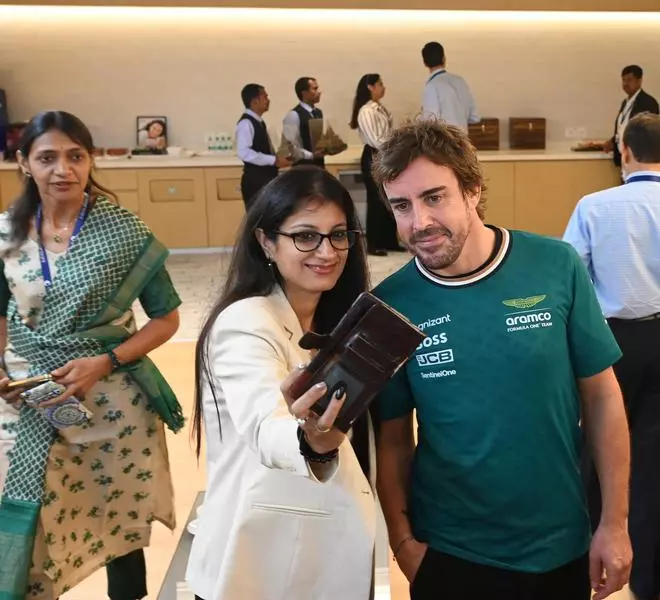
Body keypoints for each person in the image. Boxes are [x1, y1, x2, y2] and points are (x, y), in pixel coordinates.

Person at [369, 120, 632, 600]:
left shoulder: (555, 265)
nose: (418, 223)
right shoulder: (391, 306)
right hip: (450, 553)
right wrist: (403, 543)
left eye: (434, 197)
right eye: (401, 206)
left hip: (559, 544)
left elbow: (602, 397)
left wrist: (614, 523)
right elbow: (392, 441)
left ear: (472, 190)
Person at [0, 110, 184, 600]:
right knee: (35, 515)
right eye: (47, 157)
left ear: (91, 160)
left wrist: (105, 362)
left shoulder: (124, 234)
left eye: (75, 156)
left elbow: (166, 319)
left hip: (113, 400)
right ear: (23, 163)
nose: (63, 169)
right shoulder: (6, 236)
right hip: (27, 400)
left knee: (119, 512)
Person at [185, 166, 376, 600]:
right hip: (260, 567)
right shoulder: (246, 321)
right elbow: (265, 423)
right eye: (306, 236)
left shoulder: (334, 322)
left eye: (338, 234)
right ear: (266, 241)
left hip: (320, 557)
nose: (327, 251)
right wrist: (310, 440)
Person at [563, 112, 660, 600]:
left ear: (623, 152)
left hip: (612, 341)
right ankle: (649, 579)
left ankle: (587, 559)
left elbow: (570, 275)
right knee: (653, 457)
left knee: (600, 446)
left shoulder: (594, 205)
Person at [349, 73, 400, 257]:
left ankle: (389, 241)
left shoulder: (379, 108)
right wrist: (393, 146)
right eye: (380, 83)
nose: (383, 87)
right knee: (376, 200)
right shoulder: (366, 111)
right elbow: (375, 139)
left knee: (388, 198)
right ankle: (374, 243)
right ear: (370, 87)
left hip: (385, 155)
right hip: (374, 155)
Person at [236, 83, 291, 210]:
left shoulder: (259, 122)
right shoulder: (246, 123)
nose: (268, 100)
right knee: (257, 220)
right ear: (255, 101)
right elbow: (244, 152)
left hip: (266, 179)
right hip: (256, 181)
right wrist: (274, 160)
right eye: (265, 97)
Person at [603, 65, 659, 171]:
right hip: (624, 159)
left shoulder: (648, 102)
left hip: (640, 160)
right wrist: (613, 140)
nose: (625, 84)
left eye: (629, 80)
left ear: (639, 81)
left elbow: (648, 133)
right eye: (623, 80)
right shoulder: (626, 102)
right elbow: (623, 126)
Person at [420, 41, 479, 130]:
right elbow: (475, 117)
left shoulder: (431, 87)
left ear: (425, 63)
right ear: (444, 59)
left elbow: (430, 123)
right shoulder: (460, 81)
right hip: (464, 141)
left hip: (444, 142)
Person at [282, 77, 326, 168]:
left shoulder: (318, 112)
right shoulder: (294, 115)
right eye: (315, 89)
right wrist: (311, 155)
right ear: (304, 93)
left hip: (319, 165)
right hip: (302, 167)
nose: (319, 92)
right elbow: (290, 147)